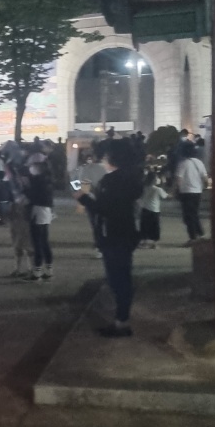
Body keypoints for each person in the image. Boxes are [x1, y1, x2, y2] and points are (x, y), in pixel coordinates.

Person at [78, 138, 144, 337]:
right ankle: (121, 319)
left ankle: (121, 322)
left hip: (113, 234)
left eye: (106, 156)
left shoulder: (113, 180)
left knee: (117, 279)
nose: (103, 160)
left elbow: (104, 208)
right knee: (123, 276)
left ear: (114, 158)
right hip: (126, 232)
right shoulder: (131, 177)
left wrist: (82, 197)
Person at [25, 156, 55, 280]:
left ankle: (37, 271)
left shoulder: (38, 180)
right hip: (46, 211)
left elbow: (31, 195)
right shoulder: (48, 179)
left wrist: (26, 187)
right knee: (44, 241)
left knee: (37, 242)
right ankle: (49, 269)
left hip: (38, 210)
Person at [173, 142, 208, 243]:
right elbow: (205, 178)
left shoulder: (183, 164)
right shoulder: (199, 163)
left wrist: (175, 191)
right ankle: (200, 233)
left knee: (188, 216)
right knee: (194, 214)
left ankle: (193, 237)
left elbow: (179, 179)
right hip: (197, 192)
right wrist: (204, 187)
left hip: (186, 192)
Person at [139, 166, 164, 248]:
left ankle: (144, 241)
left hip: (145, 209)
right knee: (155, 226)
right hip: (155, 210)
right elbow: (166, 196)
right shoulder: (158, 189)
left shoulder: (144, 188)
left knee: (145, 226)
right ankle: (155, 242)